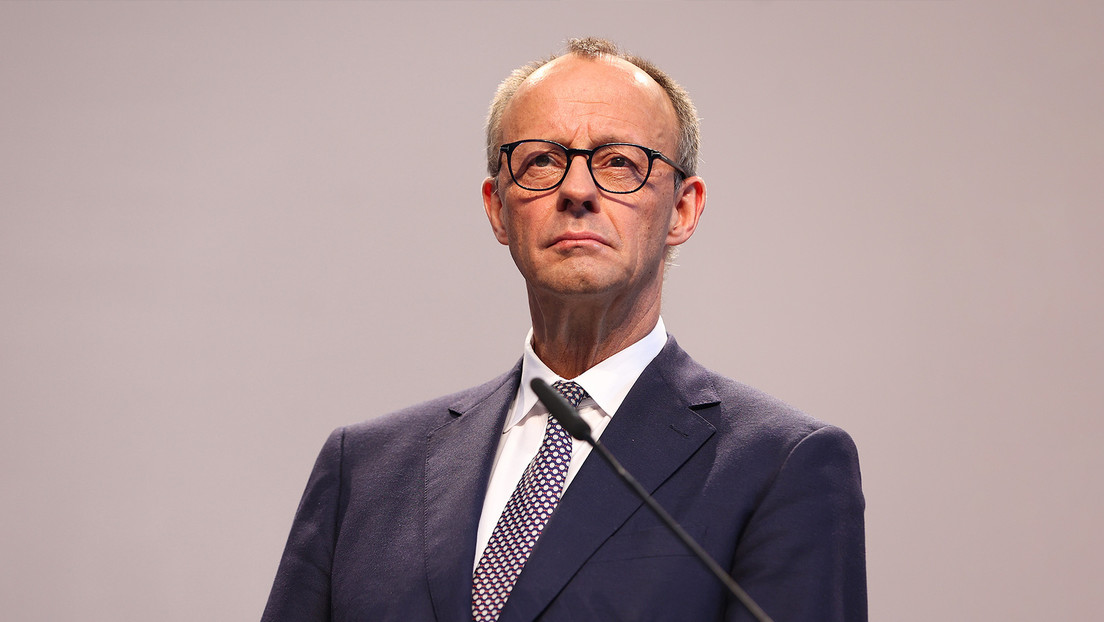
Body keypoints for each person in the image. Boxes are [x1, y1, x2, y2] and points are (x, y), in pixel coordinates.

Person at [262, 37, 866, 622]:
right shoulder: (364, 471)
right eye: (541, 161)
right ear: (498, 207)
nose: (577, 190)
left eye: (621, 163)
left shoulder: (781, 466)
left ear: (682, 210)